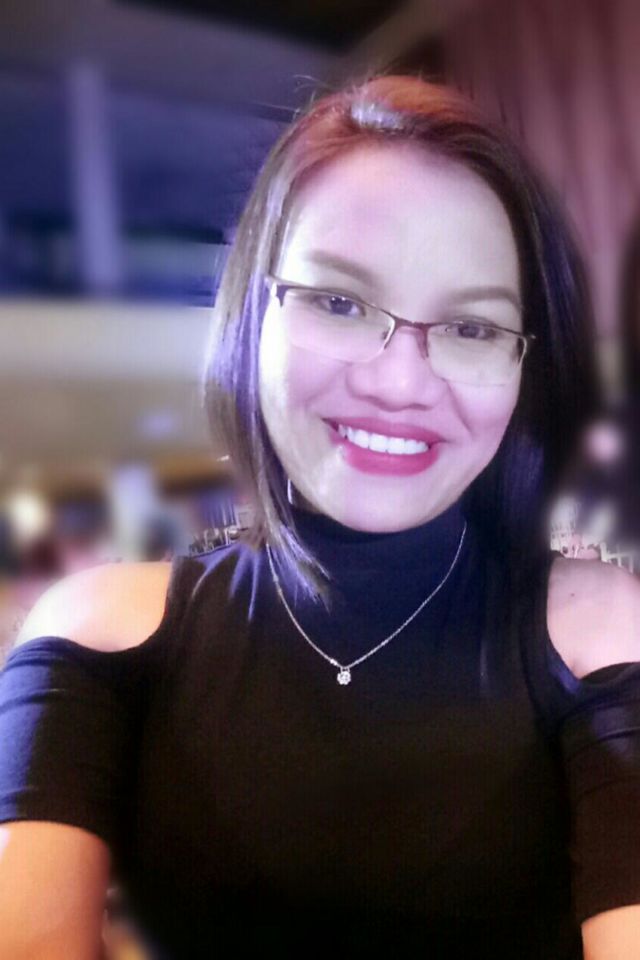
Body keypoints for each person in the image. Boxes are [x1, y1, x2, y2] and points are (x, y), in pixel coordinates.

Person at [1, 75, 640, 960]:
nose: (399, 383)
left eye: (472, 328)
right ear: (252, 316)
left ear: (528, 366)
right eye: (339, 302)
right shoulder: (99, 632)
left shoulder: (592, 634)